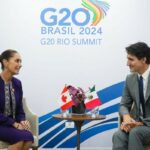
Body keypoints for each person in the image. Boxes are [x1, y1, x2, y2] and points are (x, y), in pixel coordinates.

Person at [112, 42, 150, 150]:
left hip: (144, 125)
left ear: (143, 59)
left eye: (131, 59)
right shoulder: (130, 79)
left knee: (135, 133)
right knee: (118, 135)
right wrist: (126, 117)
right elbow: (124, 104)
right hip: (137, 124)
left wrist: (140, 123)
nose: (127, 63)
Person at [0, 49, 33, 150]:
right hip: (3, 124)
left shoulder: (17, 83)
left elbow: (19, 109)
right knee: (19, 138)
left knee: (29, 137)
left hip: (12, 125)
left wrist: (22, 121)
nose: (20, 64)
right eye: (17, 61)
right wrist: (14, 123)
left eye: (20, 61)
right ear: (5, 62)